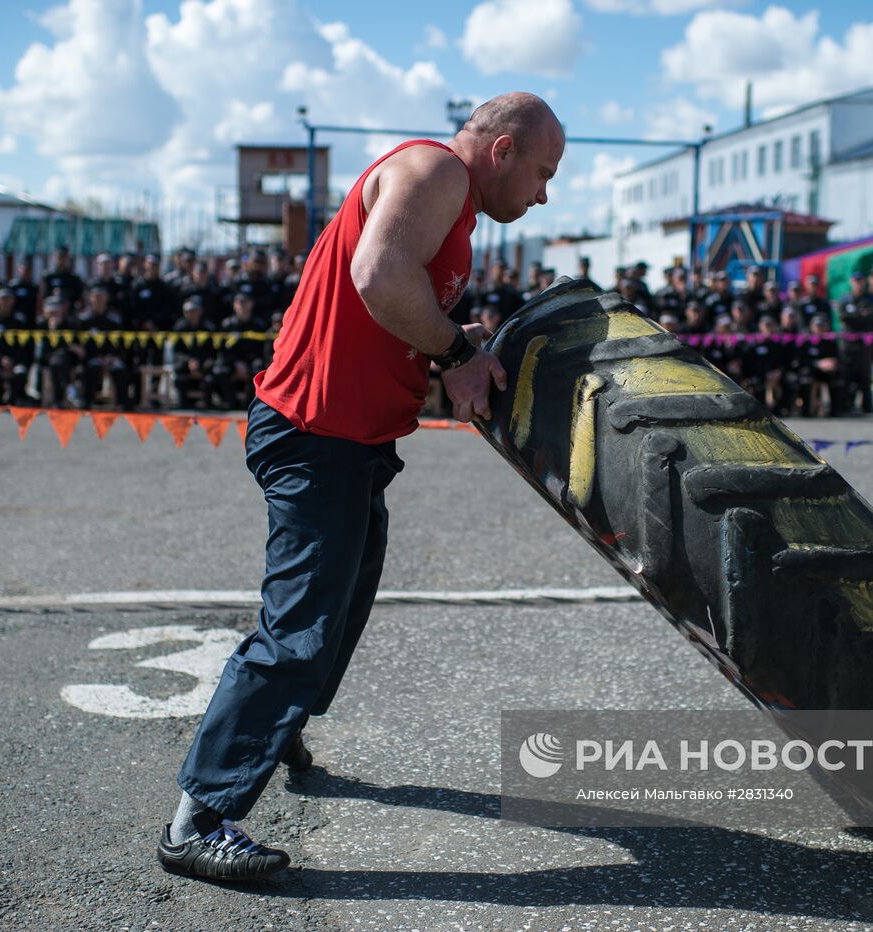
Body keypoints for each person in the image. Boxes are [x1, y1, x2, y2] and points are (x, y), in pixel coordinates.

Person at [158, 92, 563, 882]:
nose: (544, 194)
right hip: (317, 435)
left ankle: (275, 732)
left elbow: (386, 305)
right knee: (301, 627)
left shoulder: (449, 197)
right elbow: (377, 274)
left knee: (341, 602)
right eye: (543, 172)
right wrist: (456, 357)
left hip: (346, 439)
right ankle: (197, 820)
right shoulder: (436, 168)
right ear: (503, 149)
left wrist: (455, 340)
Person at [839, 270, 873, 414]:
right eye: (855, 281)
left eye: (860, 281)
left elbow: (871, 317)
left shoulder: (869, 299)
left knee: (865, 376)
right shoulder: (845, 299)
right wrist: (859, 315)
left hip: (864, 344)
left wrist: (854, 317)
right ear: (851, 282)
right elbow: (843, 317)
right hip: (848, 344)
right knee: (847, 375)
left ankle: (867, 406)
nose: (858, 284)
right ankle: (846, 405)